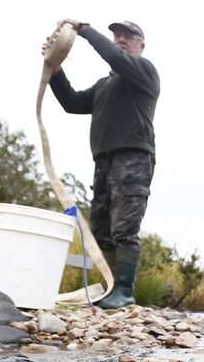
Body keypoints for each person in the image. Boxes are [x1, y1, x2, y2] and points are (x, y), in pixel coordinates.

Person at [46, 18, 160, 309]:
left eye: (128, 35)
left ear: (141, 45)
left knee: (124, 228)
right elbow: (72, 103)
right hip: (103, 162)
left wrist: (84, 31)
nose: (121, 39)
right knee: (101, 229)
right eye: (117, 35)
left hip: (134, 158)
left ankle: (125, 290)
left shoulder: (144, 72)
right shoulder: (104, 85)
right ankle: (110, 288)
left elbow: (115, 57)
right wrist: (55, 70)